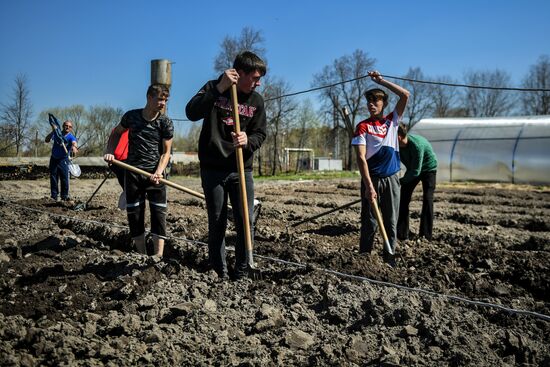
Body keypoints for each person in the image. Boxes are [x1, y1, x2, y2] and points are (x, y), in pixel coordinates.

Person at [185, 51, 267, 280]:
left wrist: (247, 141)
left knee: (245, 220)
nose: (258, 83)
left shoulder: (256, 101)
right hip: (213, 169)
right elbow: (191, 112)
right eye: (254, 78)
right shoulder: (215, 87)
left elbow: (261, 132)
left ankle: (242, 270)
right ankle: (219, 271)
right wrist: (219, 88)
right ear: (239, 74)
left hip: (241, 169)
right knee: (218, 220)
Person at [103, 84, 173, 257]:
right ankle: (141, 255)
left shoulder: (165, 122)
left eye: (165, 100)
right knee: (135, 214)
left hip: (155, 175)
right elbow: (116, 133)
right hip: (133, 173)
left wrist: (159, 172)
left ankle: (158, 257)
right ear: (149, 97)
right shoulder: (131, 117)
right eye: (160, 99)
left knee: (159, 214)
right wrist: (110, 151)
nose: (163, 103)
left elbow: (166, 152)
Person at [351, 71, 410, 266]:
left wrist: (381, 81)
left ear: (383, 103)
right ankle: (364, 260)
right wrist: (368, 186)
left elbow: (405, 95)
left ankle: (389, 259)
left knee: (390, 221)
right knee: (369, 222)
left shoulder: (392, 122)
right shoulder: (362, 126)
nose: (372, 104)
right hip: (372, 179)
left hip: (392, 178)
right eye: (369, 101)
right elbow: (361, 157)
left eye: (376, 101)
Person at [397, 124, 438, 240]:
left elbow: (416, 171)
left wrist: (400, 181)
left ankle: (426, 235)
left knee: (427, 198)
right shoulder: (396, 146)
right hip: (413, 169)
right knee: (403, 198)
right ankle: (401, 233)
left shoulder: (417, 145)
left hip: (429, 169)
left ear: (399, 137)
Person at [45, 119, 78, 202]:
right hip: (54, 158)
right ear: (63, 126)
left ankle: (64, 196)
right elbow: (46, 140)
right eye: (66, 125)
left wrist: (74, 147)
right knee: (53, 177)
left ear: (71, 128)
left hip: (64, 159)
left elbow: (74, 143)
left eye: (70, 126)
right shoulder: (57, 133)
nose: (67, 127)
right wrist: (53, 131)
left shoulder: (71, 137)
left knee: (64, 178)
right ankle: (54, 196)